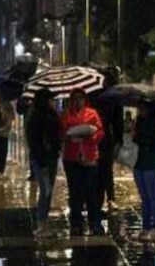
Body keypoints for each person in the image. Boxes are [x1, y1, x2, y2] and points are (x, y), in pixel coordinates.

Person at [60, 89, 105, 236]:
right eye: (75, 98)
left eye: (81, 98)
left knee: (91, 192)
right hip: (71, 158)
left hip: (89, 157)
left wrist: (89, 138)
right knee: (75, 193)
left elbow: (100, 132)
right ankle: (76, 224)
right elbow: (62, 133)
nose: (78, 101)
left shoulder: (92, 113)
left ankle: (94, 223)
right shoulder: (67, 115)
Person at [26, 89, 61, 238]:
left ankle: (44, 222)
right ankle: (41, 224)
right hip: (42, 160)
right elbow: (35, 142)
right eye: (50, 99)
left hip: (50, 158)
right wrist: (41, 163)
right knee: (45, 190)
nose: (53, 102)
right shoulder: (37, 117)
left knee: (48, 190)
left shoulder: (51, 115)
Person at [132, 101, 155, 241]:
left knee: (153, 196)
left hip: (152, 162)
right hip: (139, 161)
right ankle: (146, 227)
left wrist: (138, 136)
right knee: (144, 196)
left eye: (143, 106)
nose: (141, 109)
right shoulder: (139, 120)